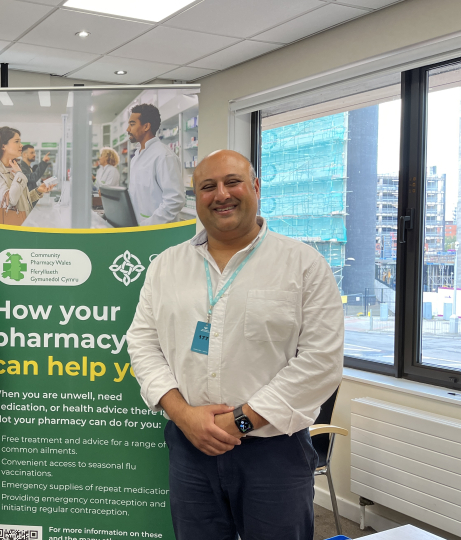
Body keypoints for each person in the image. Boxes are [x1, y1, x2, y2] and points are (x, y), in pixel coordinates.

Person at [126, 150, 343, 540]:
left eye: (232, 182)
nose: (221, 194)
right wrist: (184, 416)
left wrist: (240, 422)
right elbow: (142, 343)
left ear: (256, 188)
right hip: (190, 448)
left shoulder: (303, 264)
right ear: (196, 199)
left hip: (273, 453)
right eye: (207, 187)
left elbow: (320, 362)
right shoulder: (166, 266)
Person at [126, 103, 187, 225]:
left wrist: (148, 224)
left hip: (158, 231)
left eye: (132, 124)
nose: (128, 129)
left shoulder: (164, 156)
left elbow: (175, 200)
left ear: (146, 126)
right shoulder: (136, 156)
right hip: (137, 228)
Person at [0, 127, 54, 223]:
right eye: (16, 141)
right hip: (1, 231)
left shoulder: (14, 169)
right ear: (3, 146)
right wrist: (19, 174)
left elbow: (20, 200)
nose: (21, 145)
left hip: (19, 225)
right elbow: (11, 200)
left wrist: (38, 191)